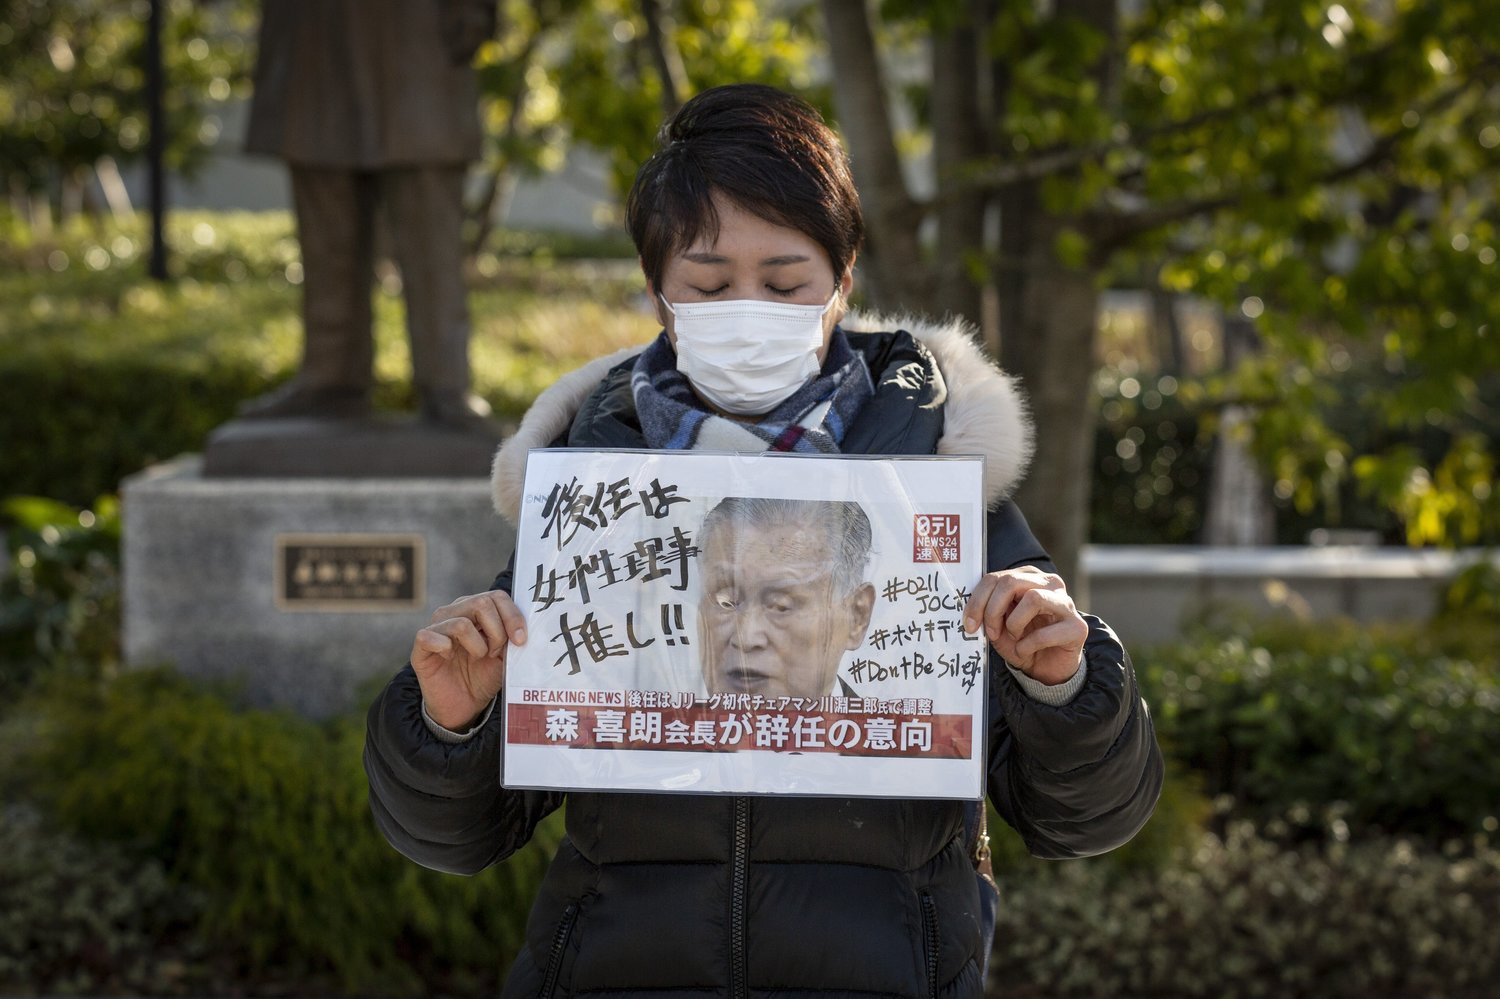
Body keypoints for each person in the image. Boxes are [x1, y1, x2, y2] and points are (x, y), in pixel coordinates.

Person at [364, 83, 1164, 996]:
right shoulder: (596, 485)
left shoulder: (938, 488)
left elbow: (1085, 819)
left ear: (844, 278)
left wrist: (1063, 688)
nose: (748, 309)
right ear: (658, 289)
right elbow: (457, 835)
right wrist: (448, 723)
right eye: (708, 284)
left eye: (786, 283)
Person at [241, 0, 497, 426]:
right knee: (326, 225)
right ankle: (330, 378)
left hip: (419, 36)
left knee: (430, 236)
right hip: (316, 39)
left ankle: (445, 383)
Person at [696, 496, 876, 698]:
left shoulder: (898, 729)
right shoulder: (662, 724)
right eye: (726, 602)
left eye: (780, 606)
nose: (745, 637)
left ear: (857, 617)